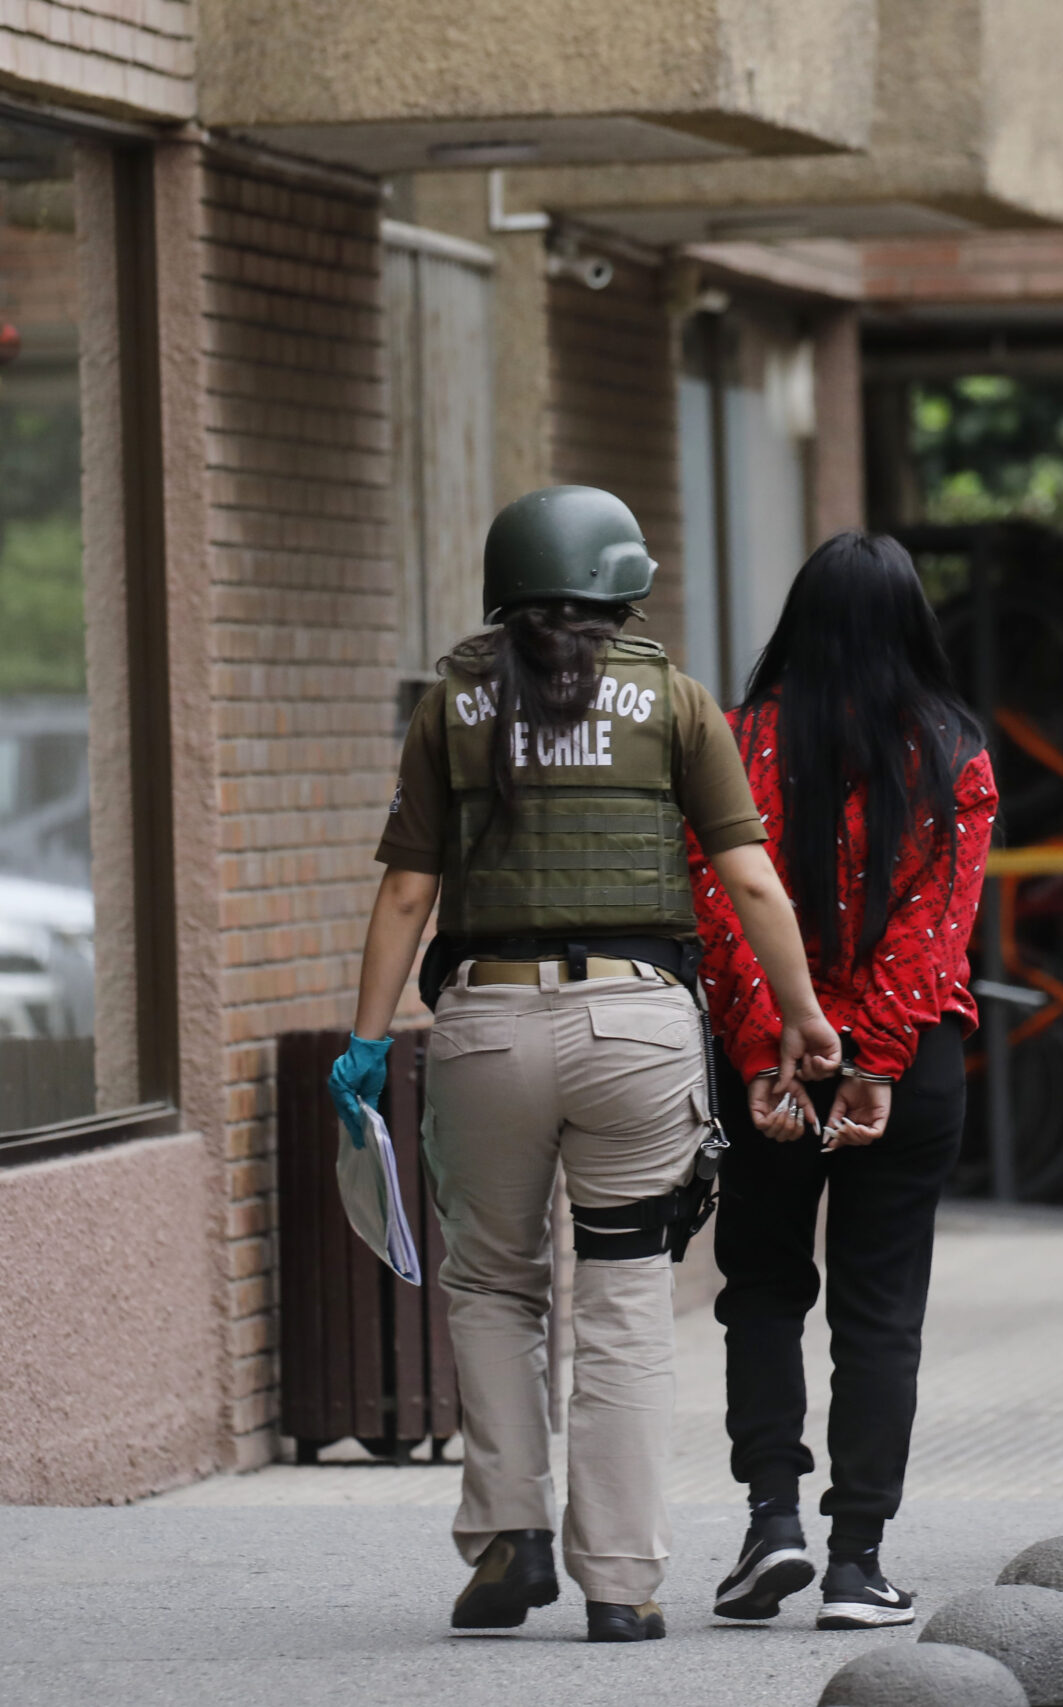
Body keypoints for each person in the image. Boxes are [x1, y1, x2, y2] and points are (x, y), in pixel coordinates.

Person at [334, 484, 840, 1644]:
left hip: (487, 1031)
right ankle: (619, 1579)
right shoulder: (674, 703)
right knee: (619, 1301)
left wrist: (366, 1041)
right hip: (635, 1029)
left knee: (493, 1283)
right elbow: (750, 877)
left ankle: (507, 1538)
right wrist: (803, 1015)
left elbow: (409, 890)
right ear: (623, 586)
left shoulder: (451, 709)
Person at [689, 532, 996, 1631]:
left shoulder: (736, 741)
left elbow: (721, 908)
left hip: (761, 1063)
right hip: (906, 1072)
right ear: (914, 624)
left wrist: (774, 1040)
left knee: (762, 1289)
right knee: (880, 1314)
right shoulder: (953, 749)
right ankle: (856, 1563)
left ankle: (770, 1523)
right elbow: (934, 930)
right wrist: (869, 1061)